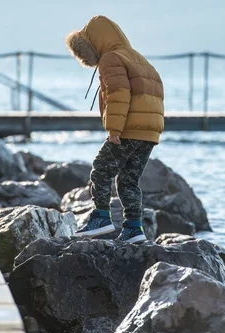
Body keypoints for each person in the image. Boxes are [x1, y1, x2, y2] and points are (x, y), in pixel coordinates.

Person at [66, 15, 164, 243]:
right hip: (148, 132)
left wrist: (114, 129)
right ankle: (134, 228)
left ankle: (101, 217)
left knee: (100, 170)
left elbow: (119, 94)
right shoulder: (137, 58)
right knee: (128, 181)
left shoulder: (111, 59)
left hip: (128, 128)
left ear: (94, 42)